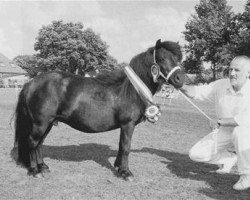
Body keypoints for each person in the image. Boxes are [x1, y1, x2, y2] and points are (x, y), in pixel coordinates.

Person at [180, 55, 250, 190]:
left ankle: (246, 174)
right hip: (224, 131)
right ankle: (229, 158)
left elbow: (244, 120)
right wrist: (179, 84)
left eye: (237, 70)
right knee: (196, 154)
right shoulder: (221, 84)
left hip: (246, 132)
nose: (232, 73)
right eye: (230, 69)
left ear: (248, 73)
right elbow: (196, 92)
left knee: (240, 131)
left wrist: (219, 121)